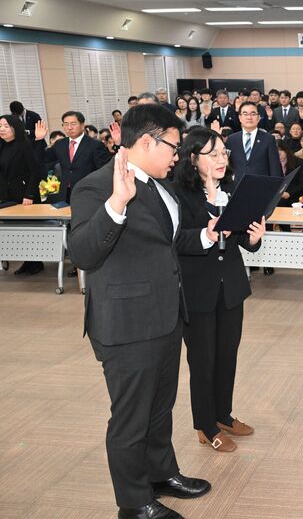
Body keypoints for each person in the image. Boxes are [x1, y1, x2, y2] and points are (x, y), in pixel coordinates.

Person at [67, 104, 213, 519]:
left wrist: (204, 235)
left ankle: (161, 473)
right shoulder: (97, 187)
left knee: (159, 407)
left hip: (165, 317)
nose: (178, 154)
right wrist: (116, 203)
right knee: (130, 418)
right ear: (146, 141)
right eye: (174, 145)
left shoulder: (160, 185)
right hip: (127, 324)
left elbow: (164, 243)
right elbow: (82, 253)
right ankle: (134, 503)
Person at [171, 128, 266, 453]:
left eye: (224, 153)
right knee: (203, 360)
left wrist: (253, 238)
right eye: (213, 154)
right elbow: (175, 240)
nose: (221, 159)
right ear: (193, 158)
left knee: (227, 355)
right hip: (197, 290)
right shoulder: (177, 194)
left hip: (231, 287)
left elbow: (239, 238)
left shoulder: (232, 190)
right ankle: (205, 425)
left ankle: (223, 416)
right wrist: (207, 226)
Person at [0, 115, 44, 274]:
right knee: (16, 229)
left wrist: (30, 194)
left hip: (26, 195)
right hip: (8, 196)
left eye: (5, 126)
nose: (2, 129)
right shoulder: (2, 146)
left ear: (15, 127)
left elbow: (35, 171)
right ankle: (27, 261)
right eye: (0, 126)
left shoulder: (24, 145)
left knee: (29, 229)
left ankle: (36, 263)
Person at [40, 110, 112, 202]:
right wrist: (39, 140)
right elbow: (43, 158)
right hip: (66, 193)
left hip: (88, 192)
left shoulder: (94, 145)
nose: (69, 127)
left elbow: (104, 169)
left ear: (82, 125)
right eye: (66, 124)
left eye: (73, 124)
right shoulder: (60, 144)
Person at [225, 101, 281, 183]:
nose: (249, 117)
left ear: (258, 118)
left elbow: (275, 168)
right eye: (245, 114)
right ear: (240, 117)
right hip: (237, 188)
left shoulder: (269, 139)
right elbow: (228, 166)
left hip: (262, 187)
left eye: (253, 114)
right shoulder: (231, 139)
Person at [276, 140, 303, 206]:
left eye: (279, 154)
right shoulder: (272, 164)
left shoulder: (299, 162)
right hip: (278, 197)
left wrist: (289, 193)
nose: (277, 157)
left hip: (295, 195)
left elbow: (302, 183)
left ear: (286, 151)